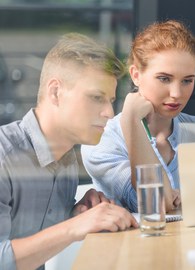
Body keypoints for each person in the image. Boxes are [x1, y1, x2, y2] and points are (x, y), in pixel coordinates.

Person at [0, 33, 138, 270]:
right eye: (96, 97)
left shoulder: (65, 158)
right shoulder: (4, 156)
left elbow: (39, 237)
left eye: (111, 100)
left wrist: (75, 214)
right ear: (55, 92)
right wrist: (75, 227)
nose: (108, 112)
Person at [81, 20, 195, 214]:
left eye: (187, 80)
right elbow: (155, 204)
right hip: (128, 244)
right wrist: (131, 121)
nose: (177, 93)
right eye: (164, 79)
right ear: (136, 75)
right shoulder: (101, 141)